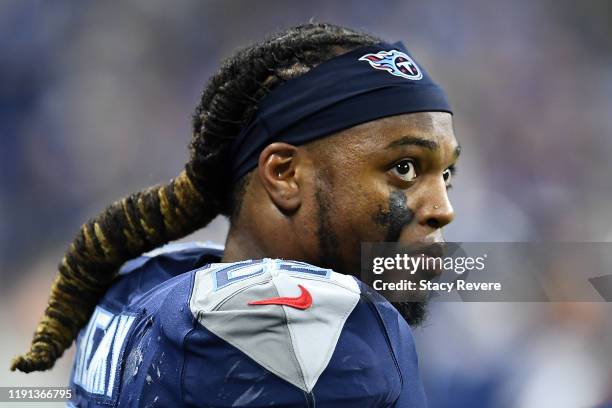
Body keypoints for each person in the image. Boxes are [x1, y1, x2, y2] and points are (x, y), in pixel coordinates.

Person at [12, 23, 460, 407]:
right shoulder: (305, 320)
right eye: (404, 168)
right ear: (284, 174)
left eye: (447, 174)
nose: (443, 208)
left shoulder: (140, 281)